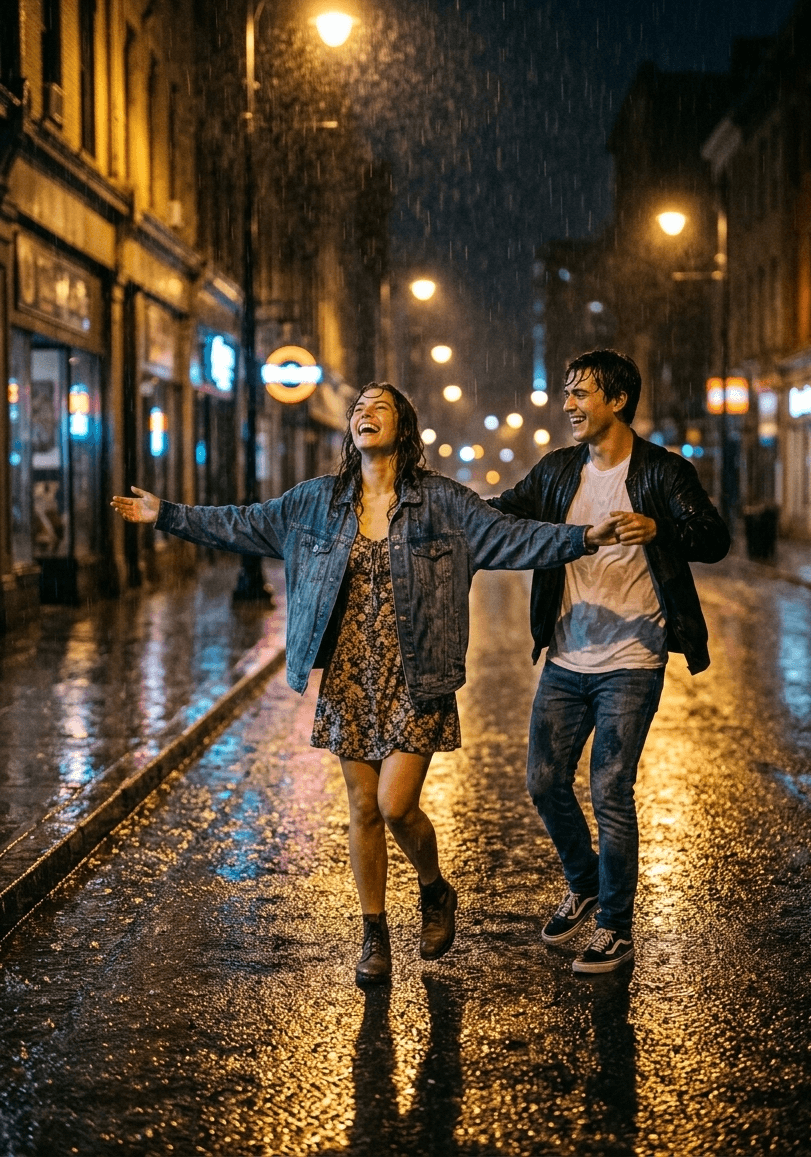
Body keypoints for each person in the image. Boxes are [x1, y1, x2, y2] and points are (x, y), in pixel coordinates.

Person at [112, 382, 613, 988]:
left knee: (394, 805)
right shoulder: (316, 503)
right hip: (350, 674)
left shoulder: (443, 503)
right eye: (357, 410)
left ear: (404, 425)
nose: (363, 415)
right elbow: (241, 525)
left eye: (378, 408)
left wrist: (584, 537)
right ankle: (374, 936)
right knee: (360, 808)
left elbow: (512, 538)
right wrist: (165, 513)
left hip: (417, 674)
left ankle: (434, 889)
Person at [489, 350, 729, 974]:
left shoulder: (662, 472)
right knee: (544, 782)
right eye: (566, 392)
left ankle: (614, 926)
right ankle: (587, 879)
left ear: (617, 400)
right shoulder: (556, 472)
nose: (567, 404)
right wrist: (434, 506)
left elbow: (715, 537)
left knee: (610, 790)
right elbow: (498, 511)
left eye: (579, 393)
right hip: (567, 657)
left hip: (632, 659)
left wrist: (661, 529)